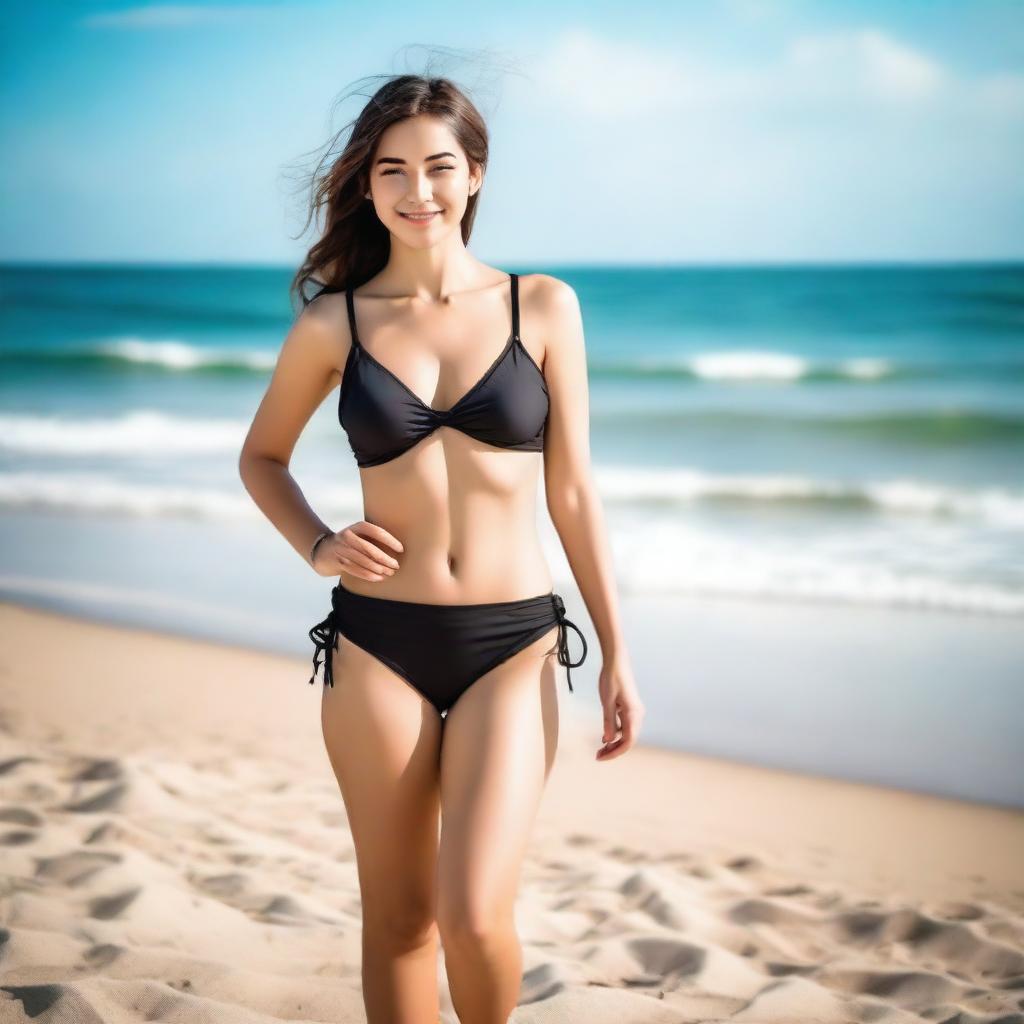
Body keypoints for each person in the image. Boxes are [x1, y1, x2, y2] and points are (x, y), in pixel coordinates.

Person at [239, 73, 644, 1024]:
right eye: (392, 171)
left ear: (474, 176)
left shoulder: (541, 306)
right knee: (401, 920)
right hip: (377, 644)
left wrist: (618, 650)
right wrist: (318, 543)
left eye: (438, 167)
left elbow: (574, 489)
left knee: (472, 913)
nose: (417, 191)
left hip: (513, 643)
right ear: (368, 187)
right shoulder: (334, 322)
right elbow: (262, 458)